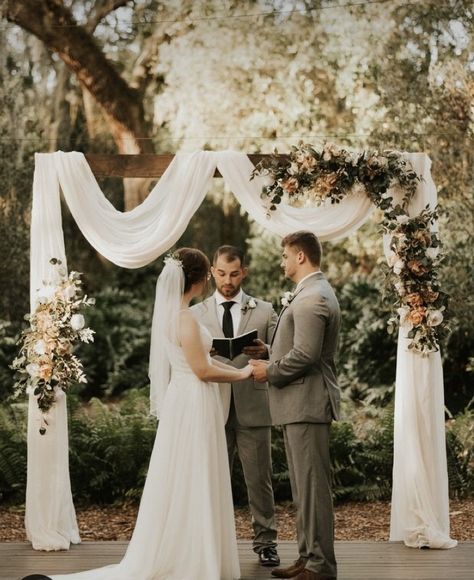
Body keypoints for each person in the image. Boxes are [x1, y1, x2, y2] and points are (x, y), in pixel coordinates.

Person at [35, 248, 252, 580]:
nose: (210, 280)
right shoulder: (185, 319)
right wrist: (244, 373)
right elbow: (202, 370)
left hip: (185, 400)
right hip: (194, 401)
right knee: (195, 473)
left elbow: (198, 364)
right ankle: (195, 558)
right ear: (196, 279)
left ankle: (193, 551)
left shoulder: (173, 317)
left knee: (186, 475)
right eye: (209, 274)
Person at [251, 231, 341, 580]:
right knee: (305, 487)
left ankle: (320, 566)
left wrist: (268, 371)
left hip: (308, 403)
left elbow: (306, 355)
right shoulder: (311, 292)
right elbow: (300, 348)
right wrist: (269, 352)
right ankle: (307, 558)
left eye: (285, 255)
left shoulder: (312, 297)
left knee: (313, 489)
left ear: (301, 256)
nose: (282, 261)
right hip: (300, 404)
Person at [191, 245, 280, 567]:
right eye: (221, 273)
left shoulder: (265, 310)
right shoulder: (196, 314)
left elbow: (281, 355)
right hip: (212, 406)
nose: (227, 281)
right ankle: (212, 542)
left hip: (254, 405)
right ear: (213, 272)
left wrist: (265, 349)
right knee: (213, 478)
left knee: (259, 479)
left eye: (234, 274)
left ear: (244, 272)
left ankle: (266, 542)